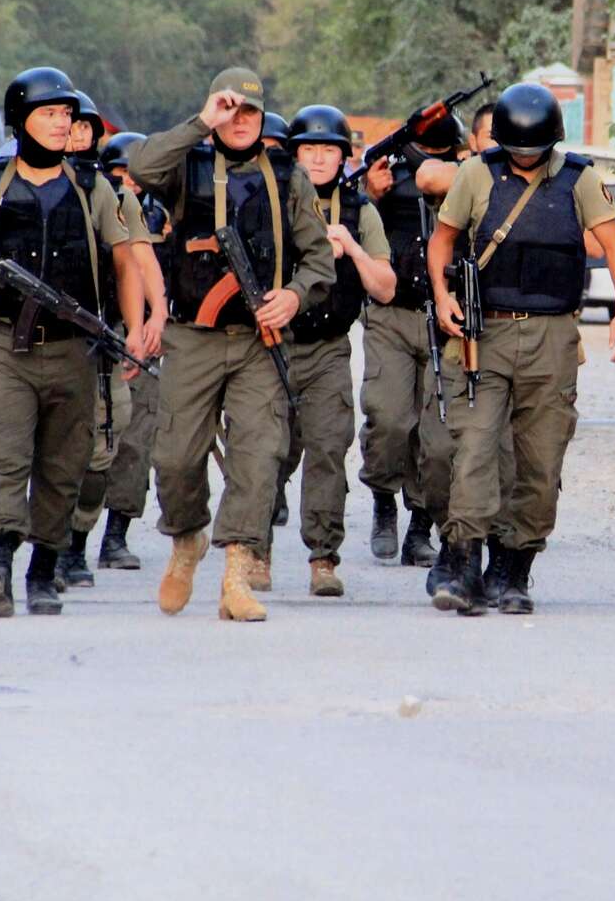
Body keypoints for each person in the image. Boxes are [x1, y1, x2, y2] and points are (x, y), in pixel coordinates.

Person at [0, 66, 148, 618]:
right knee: (6, 454)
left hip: (76, 347)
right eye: (48, 114)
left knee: (63, 463)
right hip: (7, 347)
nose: (60, 124)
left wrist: (137, 327)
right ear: (20, 121)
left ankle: (44, 569)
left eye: (66, 115)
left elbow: (125, 260)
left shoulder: (92, 189)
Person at [129, 67, 335, 623]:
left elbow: (319, 261)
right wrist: (202, 121)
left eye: (250, 112)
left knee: (258, 456)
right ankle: (186, 540)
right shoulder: (186, 165)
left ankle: (236, 576)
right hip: (192, 337)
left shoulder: (288, 176)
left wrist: (293, 296)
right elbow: (140, 167)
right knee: (174, 458)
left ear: (264, 117)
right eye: (230, 110)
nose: (240, 122)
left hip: (258, 341)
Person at [426, 81, 615, 615]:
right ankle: (463, 563)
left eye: (532, 151)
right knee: (474, 447)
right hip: (484, 332)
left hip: (552, 335)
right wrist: (443, 296)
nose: (524, 159)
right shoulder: (476, 173)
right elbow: (442, 239)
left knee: (541, 462)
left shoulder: (579, 179)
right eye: (516, 150)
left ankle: (513, 567)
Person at [279, 103, 398, 597]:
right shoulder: (273, 203)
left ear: (344, 156)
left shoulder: (360, 211)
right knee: (268, 452)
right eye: (309, 149)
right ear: (294, 155)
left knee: (328, 448)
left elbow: (386, 287)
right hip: (274, 345)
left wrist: (350, 245)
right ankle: (252, 548)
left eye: (329, 150)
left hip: (328, 347)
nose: (319, 159)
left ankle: (323, 557)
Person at [57, 89, 162, 589]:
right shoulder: (19, 187)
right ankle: (44, 543)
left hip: (104, 339)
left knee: (109, 446)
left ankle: (77, 542)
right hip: (42, 339)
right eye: (67, 124)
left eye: (85, 128)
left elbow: (139, 260)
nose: (75, 135)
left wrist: (148, 321)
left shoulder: (114, 198)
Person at [356, 108, 466, 566]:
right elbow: (350, 227)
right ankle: (384, 496)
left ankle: (420, 521)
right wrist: (372, 197)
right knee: (389, 416)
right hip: (392, 312)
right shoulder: (384, 170)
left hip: (445, 313)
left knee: (436, 432)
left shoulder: (468, 173)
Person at [92, 130, 167, 570]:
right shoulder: (98, 209)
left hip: (149, 339)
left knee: (137, 440)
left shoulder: (170, 215)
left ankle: (116, 533)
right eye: (119, 175)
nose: (129, 185)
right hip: (99, 331)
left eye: (136, 178)